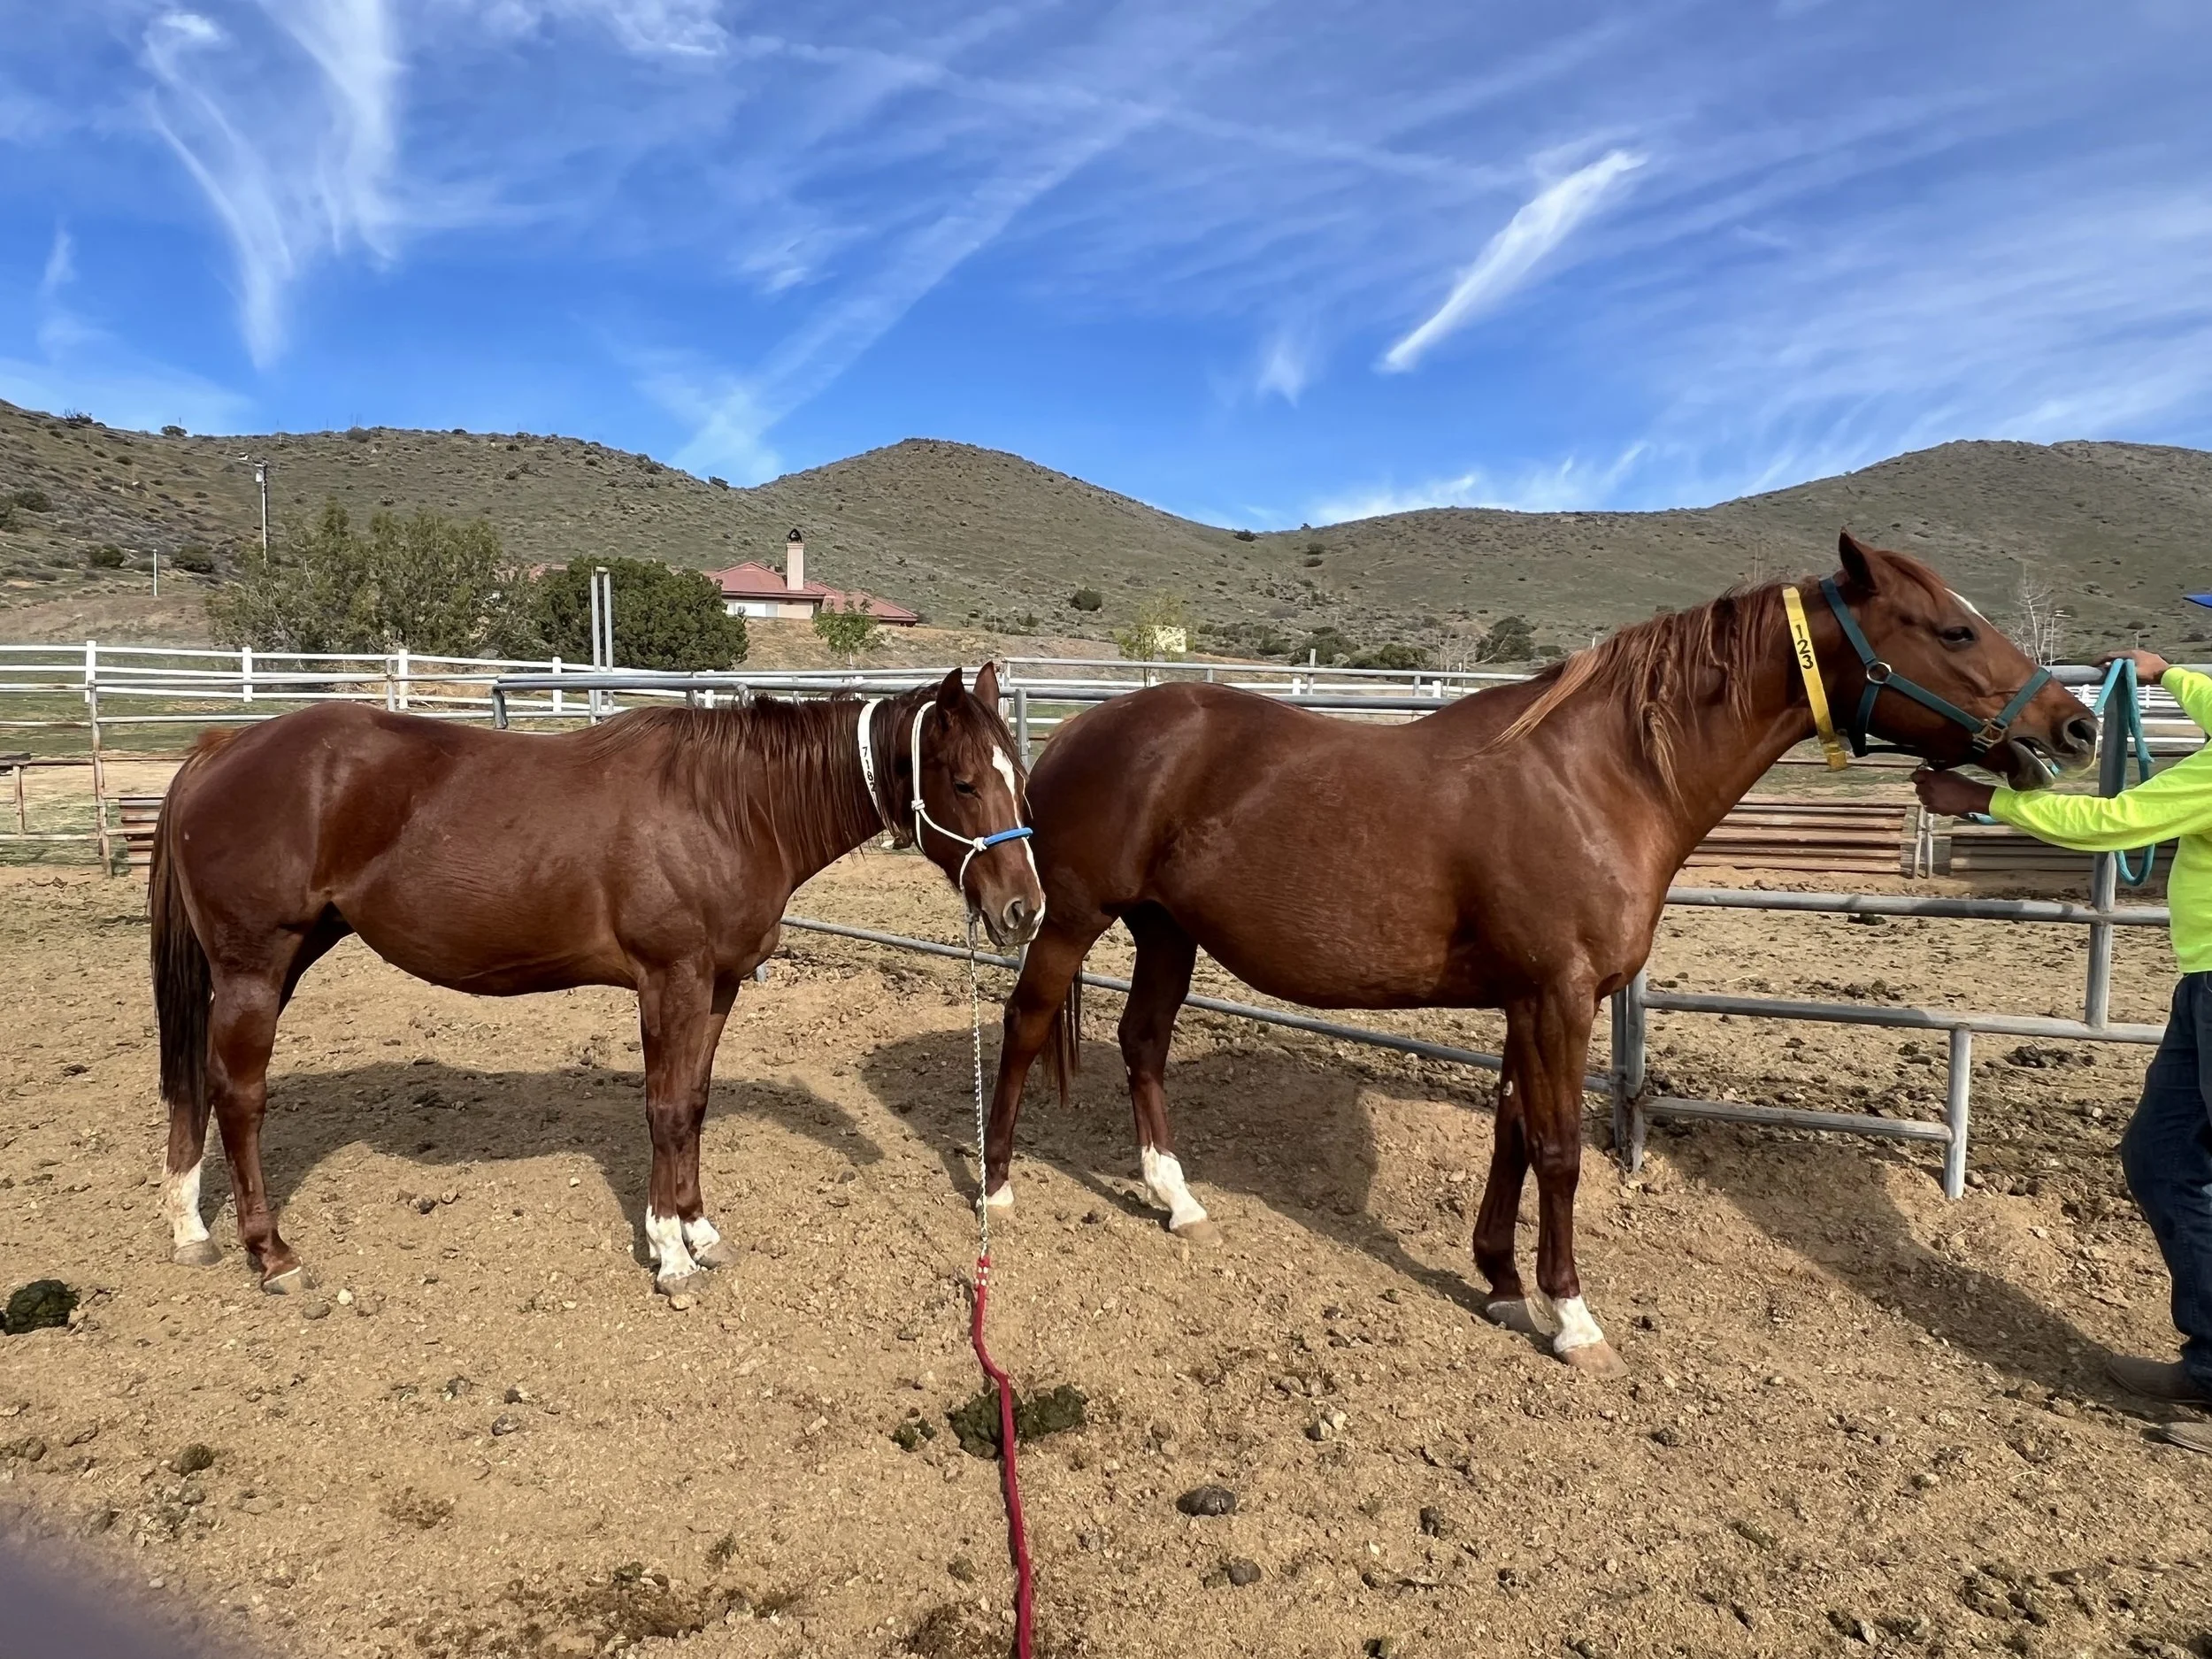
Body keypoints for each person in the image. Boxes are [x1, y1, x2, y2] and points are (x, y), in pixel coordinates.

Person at [1916, 646, 2212, 1455]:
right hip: (2203, 982)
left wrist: (1984, 801)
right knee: (2159, 1158)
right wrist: (2164, 675)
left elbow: (2112, 823)